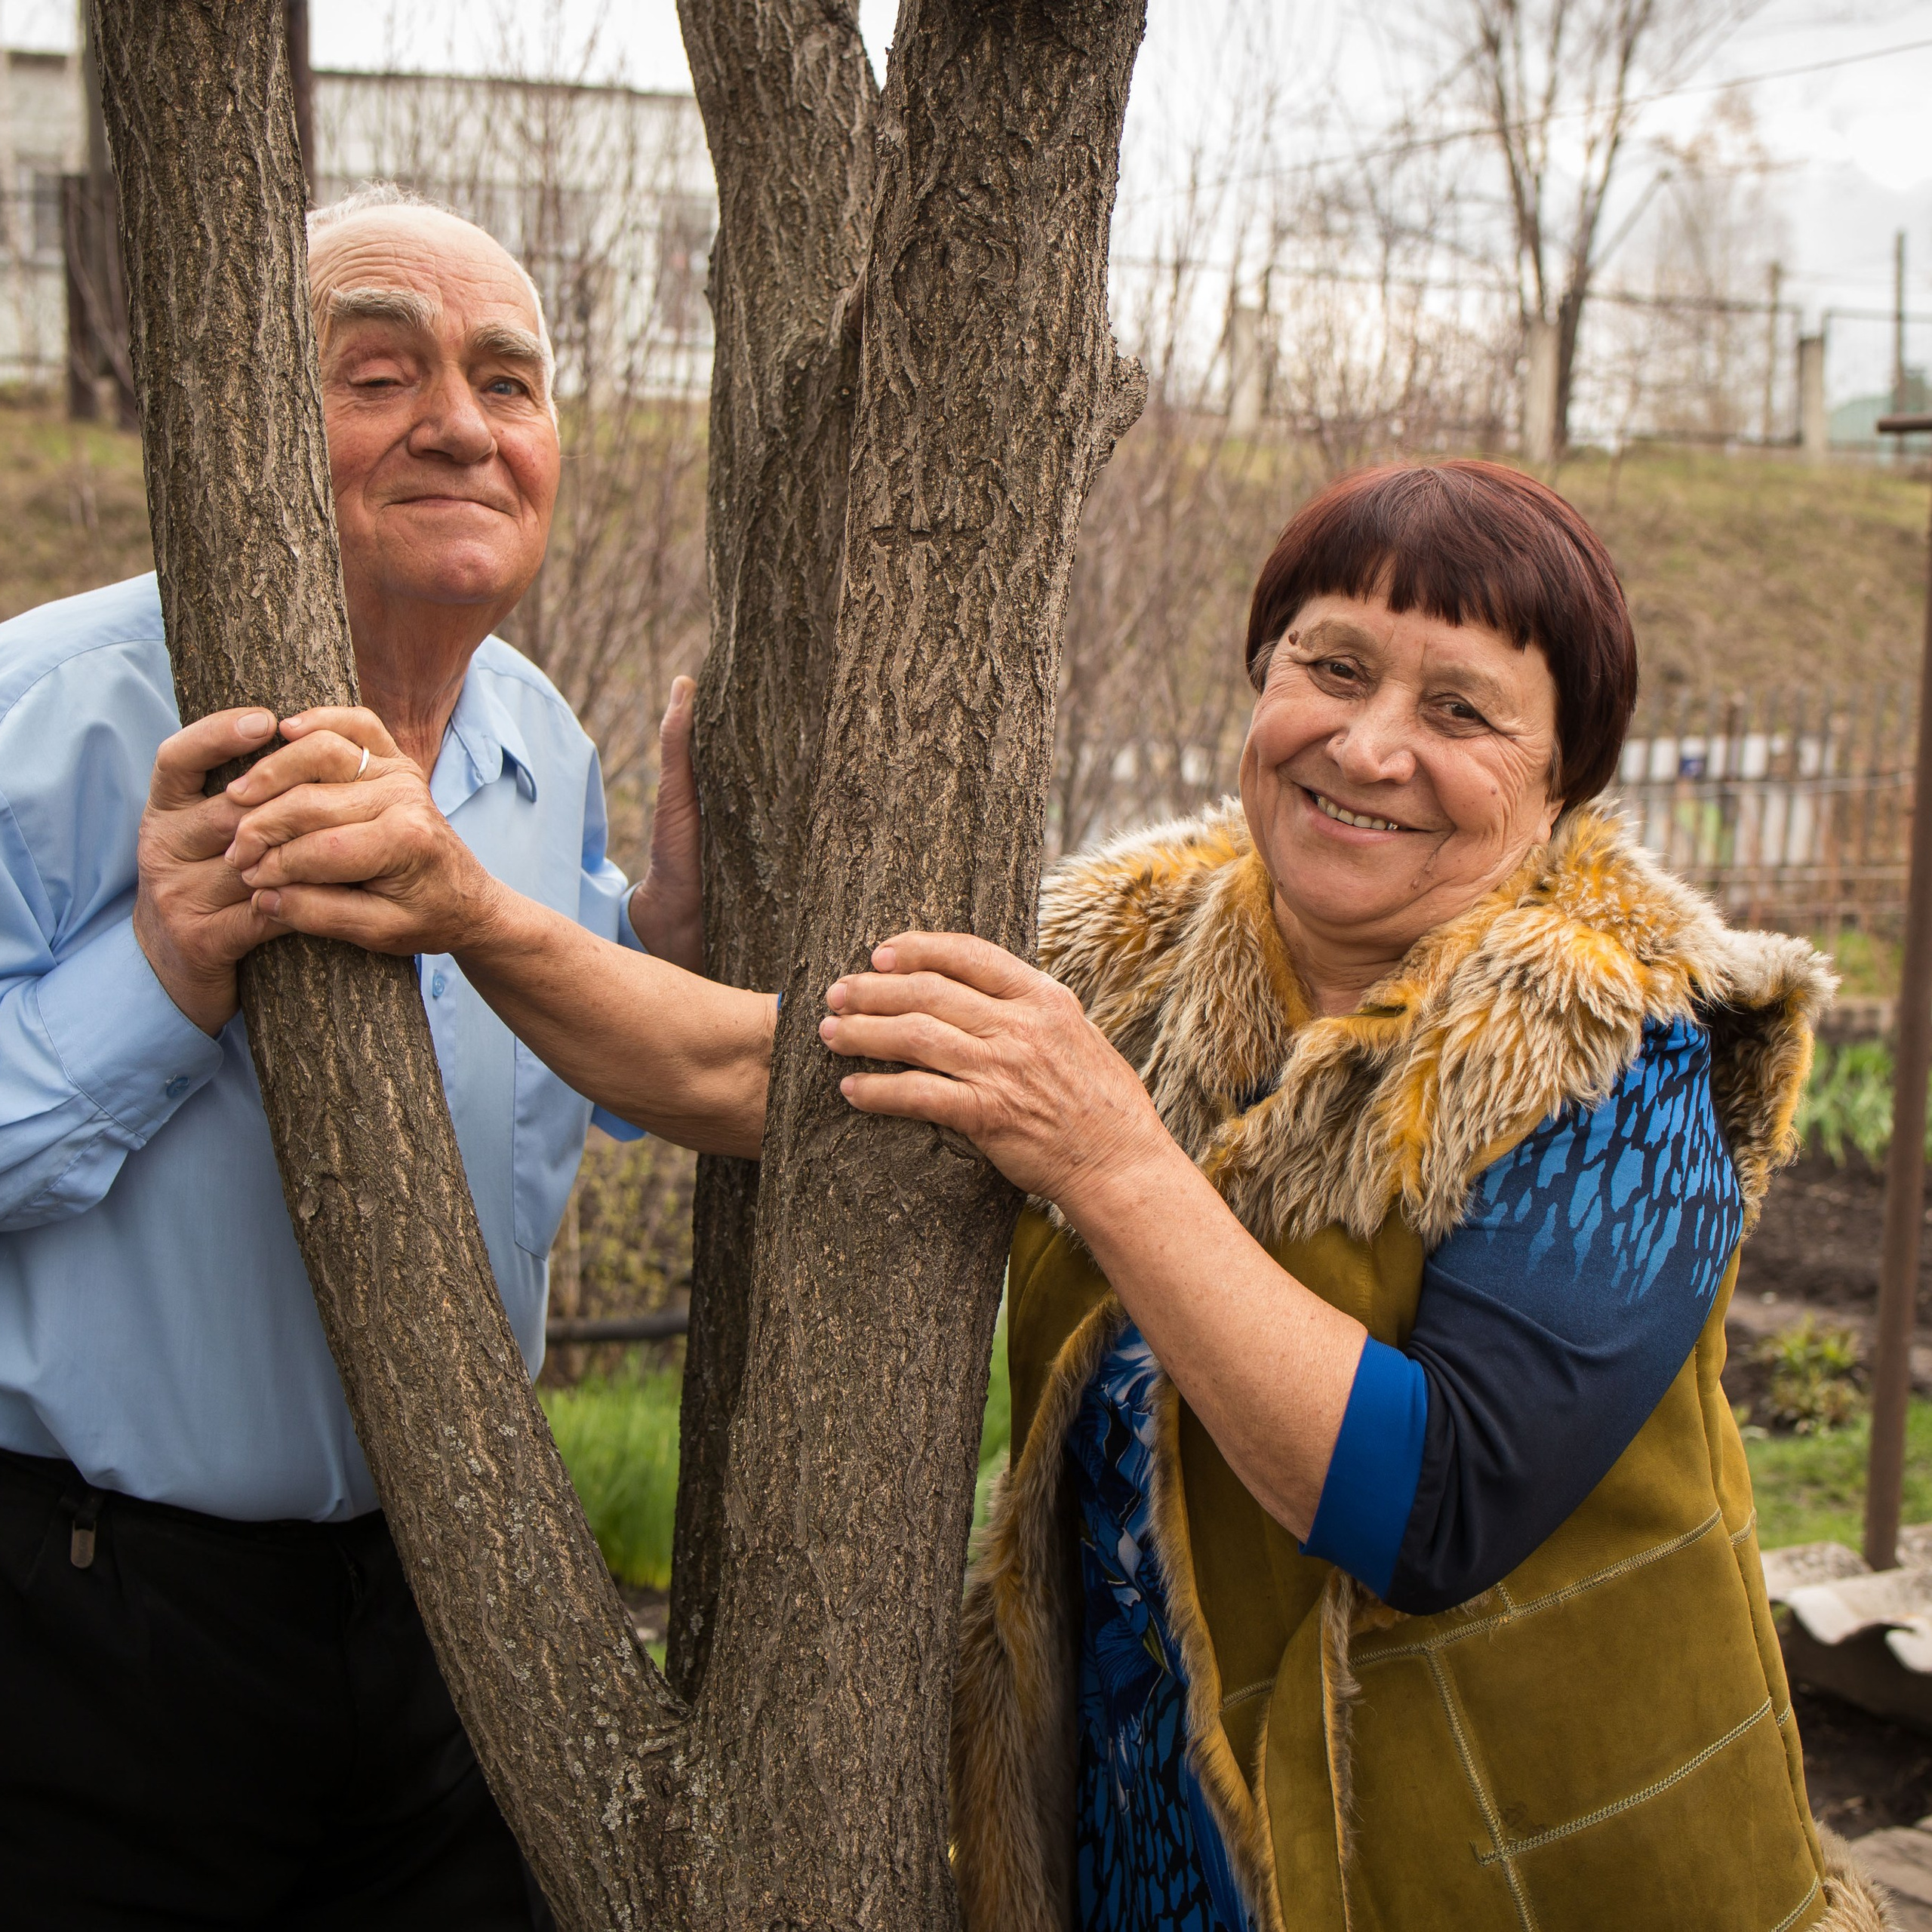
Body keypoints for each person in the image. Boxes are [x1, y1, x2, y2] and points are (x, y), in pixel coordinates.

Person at [232, 460, 1885, 1932]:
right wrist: (467, 909)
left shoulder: (1623, 1043)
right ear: (1259, 683)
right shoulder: (1141, 950)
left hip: (1521, 1862)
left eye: (1461, 711)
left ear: (1559, 778)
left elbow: (1431, 1504)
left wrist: (1102, 1153)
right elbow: (766, 1082)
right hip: (1155, 1847)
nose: (1369, 743)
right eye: (1328, 664)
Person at [0, 184, 765, 1930]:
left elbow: (552, 1088)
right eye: (379, 372)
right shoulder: (40, 720)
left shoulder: (539, 741)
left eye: (509, 381)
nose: (460, 425)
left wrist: (662, 930)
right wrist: (165, 964)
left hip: (455, 1609)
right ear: (252, 430)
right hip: (94, 1632)